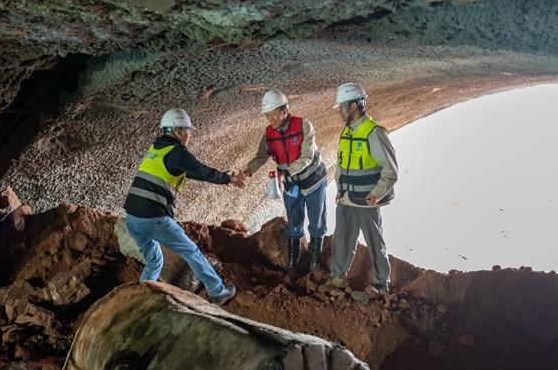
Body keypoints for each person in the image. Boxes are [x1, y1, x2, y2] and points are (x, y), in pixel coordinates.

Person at [123, 108, 245, 305]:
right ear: (178, 132)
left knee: (154, 261)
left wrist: (226, 177)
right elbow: (202, 171)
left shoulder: (156, 150)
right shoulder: (178, 152)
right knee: (191, 251)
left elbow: (190, 172)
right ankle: (218, 291)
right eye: (188, 130)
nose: (190, 135)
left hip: (133, 219)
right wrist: (230, 179)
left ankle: (140, 299)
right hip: (153, 219)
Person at [243, 90, 328, 271]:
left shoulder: (304, 125)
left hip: (314, 181)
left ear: (284, 111)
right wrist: (247, 172)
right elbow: (260, 157)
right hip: (292, 184)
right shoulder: (269, 134)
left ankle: (314, 262)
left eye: (273, 115)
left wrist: (285, 172)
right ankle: (292, 264)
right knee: (294, 222)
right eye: (267, 116)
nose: (270, 120)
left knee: (316, 221)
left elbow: (307, 157)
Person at [329, 83, 398, 294]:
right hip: (347, 199)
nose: (339, 112)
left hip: (368, 201)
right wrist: (340, 188)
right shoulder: (347, 132)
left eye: (342, 108)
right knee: (341, 238)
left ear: (354, 105)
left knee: (375, 242)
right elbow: (342, 164)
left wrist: (377, 193)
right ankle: (337, 277)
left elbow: (391, 170)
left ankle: (381, 284)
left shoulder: (374, 133)